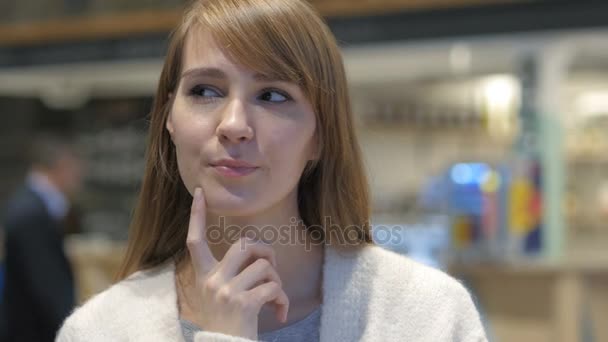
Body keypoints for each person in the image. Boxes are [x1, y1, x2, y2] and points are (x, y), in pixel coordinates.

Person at [56, 0, 488, 341]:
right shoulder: (101, 330)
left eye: (273, 96)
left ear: (321, 134)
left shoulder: (427, 315)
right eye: (205, 90)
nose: (234, 125)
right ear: (169, 116)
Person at [1, 133, 83, 341]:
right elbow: (47, 286)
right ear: (61, 167)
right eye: (74, 168)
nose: (78, 176)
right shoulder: (31, 213)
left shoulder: (32, 205)